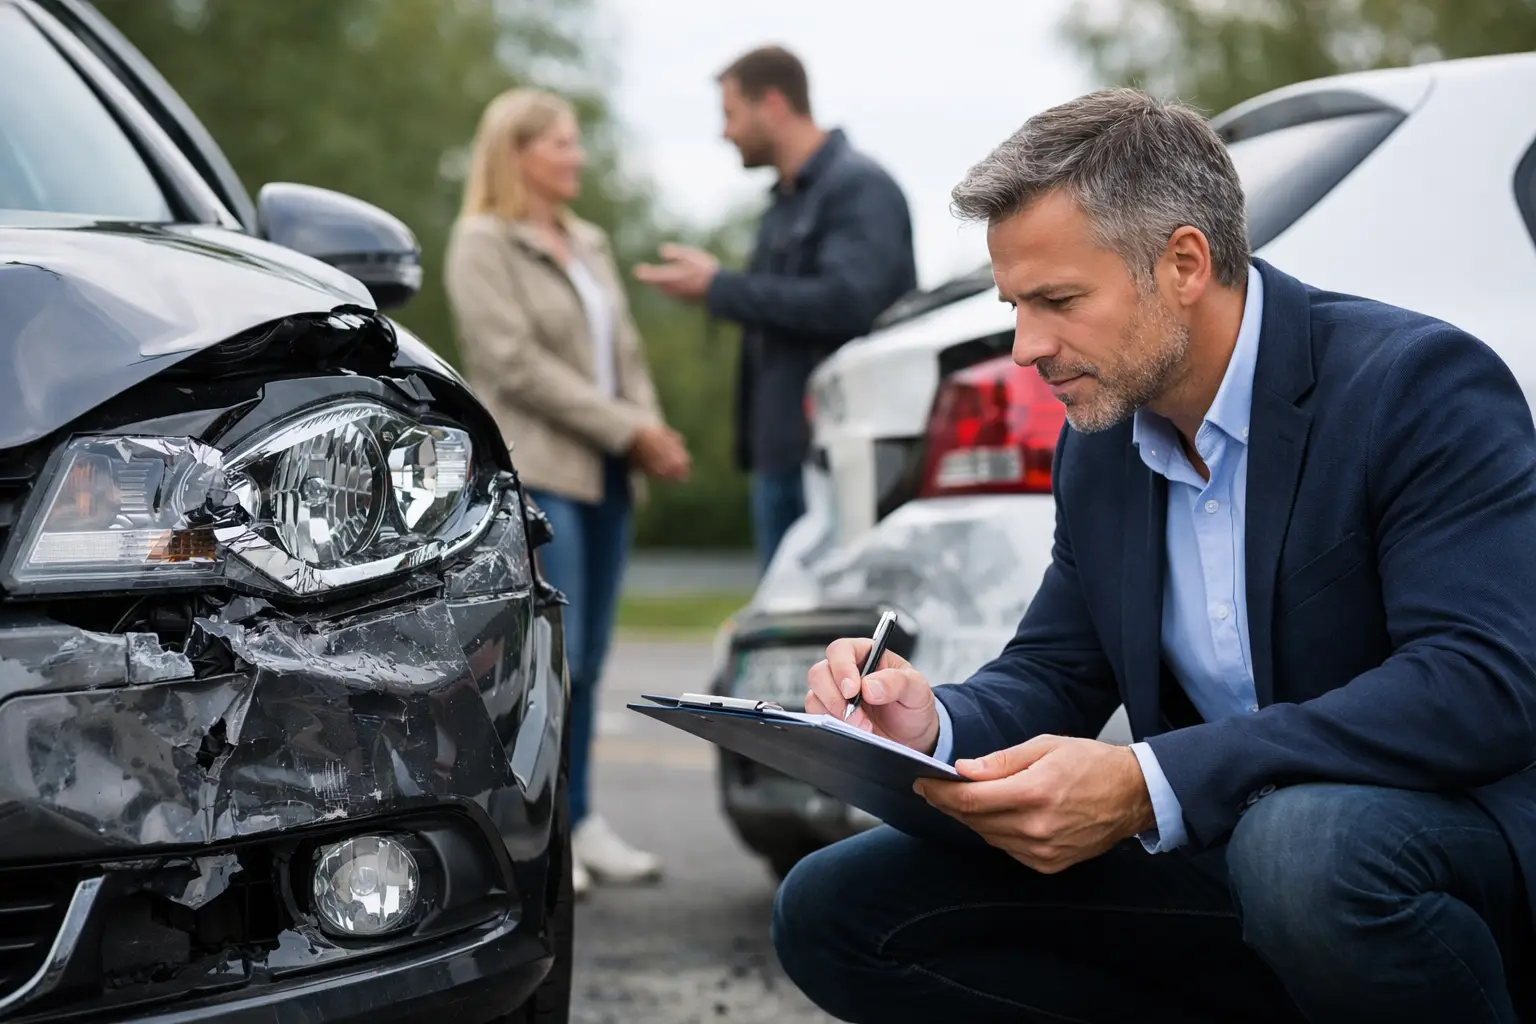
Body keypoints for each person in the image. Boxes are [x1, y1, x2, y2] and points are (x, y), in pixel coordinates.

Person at [772, 88, 1536, 1023]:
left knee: (1301, 848)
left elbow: (1479, 684)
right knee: (835, 907)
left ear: (1184, 262)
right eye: (1015, 305)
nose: (1025, 348)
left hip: (1436, 852)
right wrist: (927, 726)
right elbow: (1057, 669)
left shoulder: (1414, 385)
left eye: (1058, 301)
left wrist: (1148, 783)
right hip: (1240, 861)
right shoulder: (1101, 443)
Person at [444, 88, 691, 898]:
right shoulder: (483, 242)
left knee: (591, 657)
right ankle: (544, 833)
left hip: (608, 473)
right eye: (559, 143)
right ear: (516, 153)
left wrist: (647, 430)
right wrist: (629, 429)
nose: (575, 156)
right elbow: (514, 365)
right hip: (545, 468)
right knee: (553, 659)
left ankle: (583, 820)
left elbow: (626, 353)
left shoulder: (588, 241)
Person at [633, 45, 917, 573]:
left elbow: (852, 303)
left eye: (730, 114)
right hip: (784, 453)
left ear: (773, 103)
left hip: (840, 459)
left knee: (837, 634)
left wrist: (720, 288)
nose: (724, 132)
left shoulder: (859, 188)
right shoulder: (783, 203)